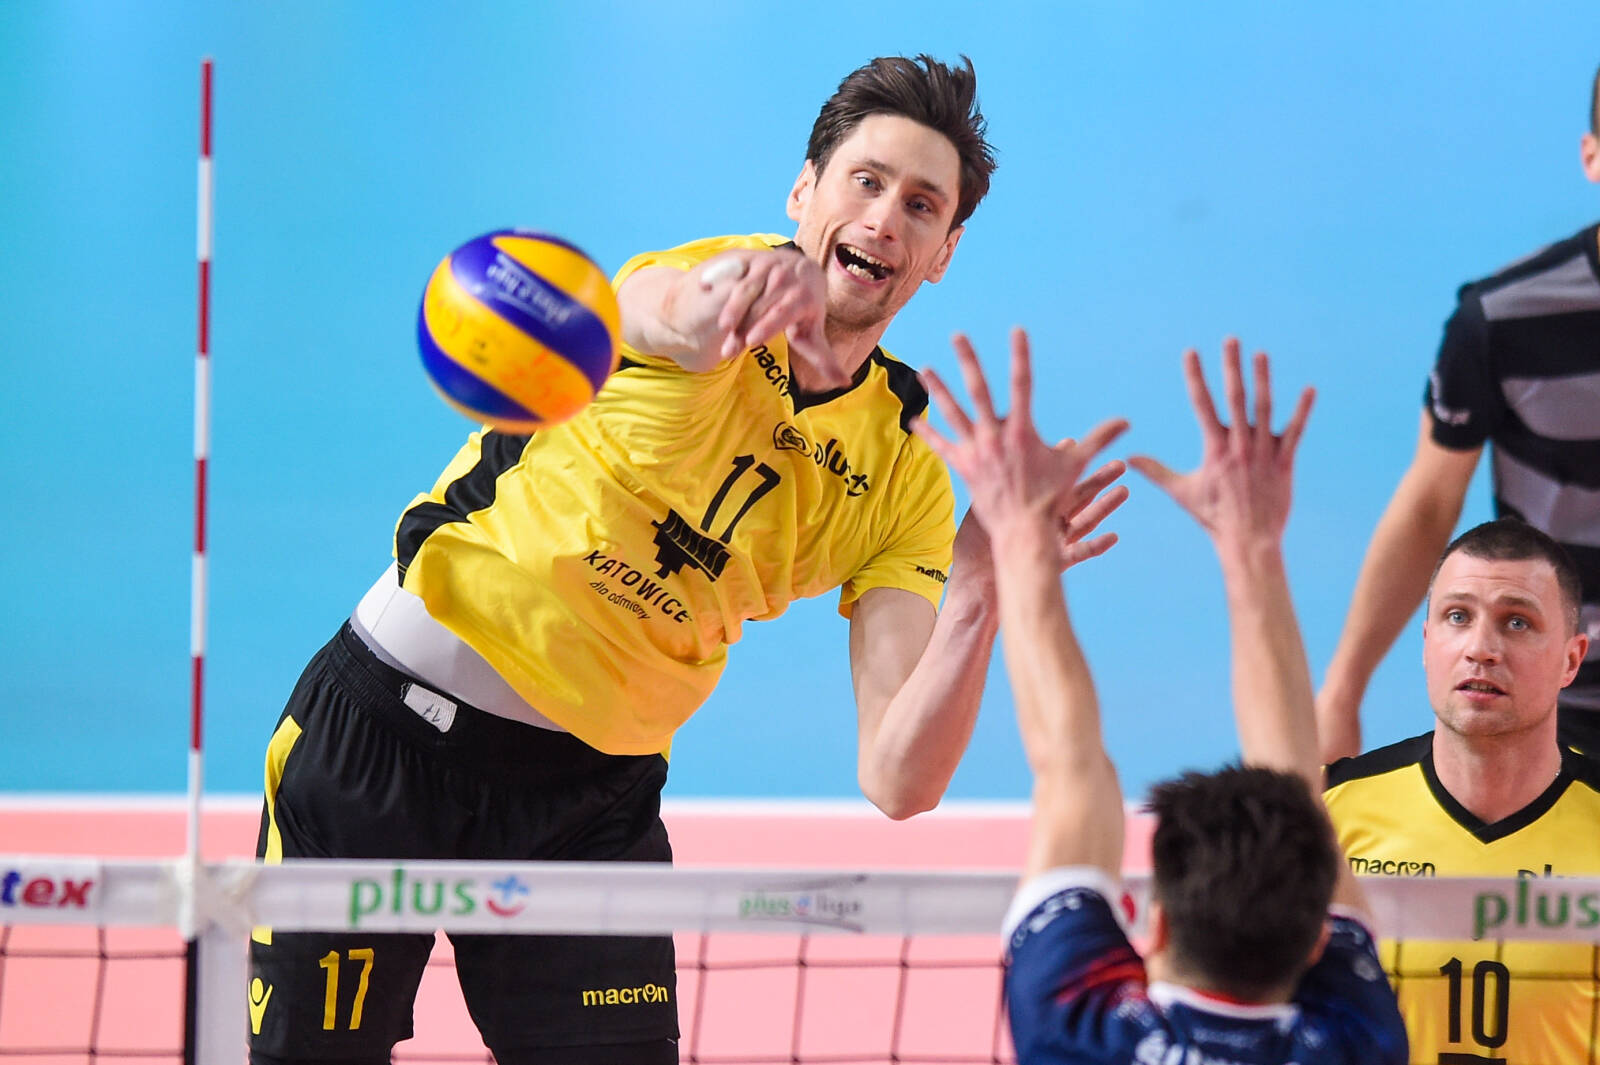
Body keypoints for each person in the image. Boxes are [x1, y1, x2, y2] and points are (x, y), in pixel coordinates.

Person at [246, 55, 1130, 1065]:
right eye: (865, 181)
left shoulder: (909, 469)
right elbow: (669, 311)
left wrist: (983, 584)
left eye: (921, 205)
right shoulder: (699, 286)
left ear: (943, 252)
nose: (885, 218)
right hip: (383, 746)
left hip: (587, 808)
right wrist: (731, 299)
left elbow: (898, 778)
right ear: (804, 192)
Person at [915, 334, 1406, 1063]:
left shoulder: (1076, 1031)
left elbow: (1072, 770)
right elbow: (1292, 791)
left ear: (1158, 924)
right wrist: (1251, 545)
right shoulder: (1356, 1044)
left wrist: (1015, 531)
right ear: (1315, 945)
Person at [1317, 62, 1600, 763]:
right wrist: (1343, 688)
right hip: (1559, 706)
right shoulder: (1500, 320)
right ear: (1592, 157)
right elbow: (1428, 505)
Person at [1322, 517, 1600, 1062]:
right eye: (1458, 617)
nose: (1481, 648)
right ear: (1427, 643)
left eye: (1517, 622)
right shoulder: (1332, 814)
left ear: (1571, 660)